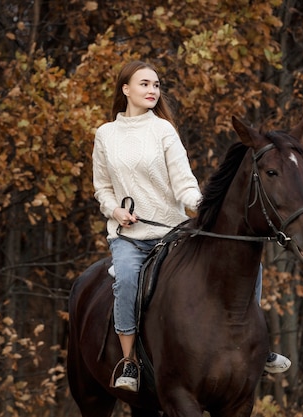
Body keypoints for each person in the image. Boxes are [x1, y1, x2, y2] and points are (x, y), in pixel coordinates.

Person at [92, 60, 290, 393]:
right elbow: (102, 187)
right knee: (125, 277)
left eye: (156, 85)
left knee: (246, 264)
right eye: (144, 84)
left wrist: (202, 208)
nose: (152, 90)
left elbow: (184, 182)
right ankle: (129, 362)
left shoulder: (163, 130)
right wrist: (114, 210)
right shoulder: (105, 135)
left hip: (172, 232)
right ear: (125, 89)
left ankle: (255, 345)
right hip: (130, 236)